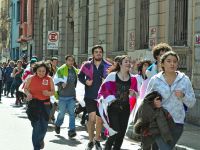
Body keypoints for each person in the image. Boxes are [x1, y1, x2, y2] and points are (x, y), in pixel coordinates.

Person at [145, 51, 196, 150]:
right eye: (169, 61)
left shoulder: (184, 80)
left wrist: (183, 96)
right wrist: (154, 103)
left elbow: (192, 103)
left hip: (177, 122)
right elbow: (146, 100)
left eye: (175, 61)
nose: (172, 64)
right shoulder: (155, 80)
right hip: (159, 121)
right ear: (162, 63)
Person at [97, 55, 138, 150]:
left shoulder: (133, 79)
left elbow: (137, 93)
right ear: (120, 64)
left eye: (129, 61)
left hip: (126, 109)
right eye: (126, 61)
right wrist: (109, 97)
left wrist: (134, 93)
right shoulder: (112, 76)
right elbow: (103, 90)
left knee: (122, 134)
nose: (128, 63)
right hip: (113, 109)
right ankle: (108, 145)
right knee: (116, 133)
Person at [78, 45, 112, 150]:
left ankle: (97, 141)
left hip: (102, 98)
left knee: (100, 120)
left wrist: (106, 82)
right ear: (92, 54)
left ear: (102, 53)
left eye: (100, 52)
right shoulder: (87, 65)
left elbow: (113, 80)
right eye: (96, 52)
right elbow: (80, 76)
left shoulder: (108, 66)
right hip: (89, 96)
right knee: (92, 118)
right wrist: (86, 81)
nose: (98, 53)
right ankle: (90, 141)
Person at [24, 61, 55, 150]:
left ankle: (40, 140)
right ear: (36, 70)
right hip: (34, 105)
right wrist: (28, 94)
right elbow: (26, 88)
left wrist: (48, 92)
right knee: (36, 128)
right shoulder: (31, 78)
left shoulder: (49, 79)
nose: (41, 73)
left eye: (43, 71)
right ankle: (36, 147)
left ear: (46, 71)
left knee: (44, 129)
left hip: (46, 106)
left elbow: (53, 92)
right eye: (39, 71)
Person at [54, 55, 78, 138]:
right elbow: (55, 80)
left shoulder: (75, 70)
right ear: (66, 60)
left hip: (71, 96)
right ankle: (57, 124)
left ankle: (72, 130)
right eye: (69, 60)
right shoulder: (61, 69)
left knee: (72, 113)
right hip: (63, 96)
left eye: (72, 60)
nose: (71, 62)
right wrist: (61, 84)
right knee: (62, 113)